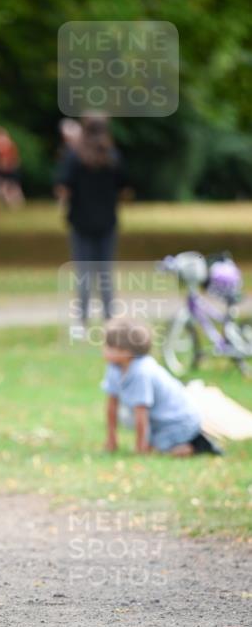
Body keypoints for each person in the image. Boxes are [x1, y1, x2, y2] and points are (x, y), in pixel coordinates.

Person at [102, 319, 222, 456]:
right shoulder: (115, 367)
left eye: (109, 347)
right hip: (160, 421)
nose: (104, 350)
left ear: (126, 352)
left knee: (160, 450)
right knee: (126, 416)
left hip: (179, 422)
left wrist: (141, 449)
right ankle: (165, 442)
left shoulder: (141, 372)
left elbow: (142, 412)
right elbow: (112, 404)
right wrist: (111, 439)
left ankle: (195, 445)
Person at [55, 114, 130, 325]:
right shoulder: (113, 156)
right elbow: (124, 188)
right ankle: (109, 318)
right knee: (105, 272)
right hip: (107, 221)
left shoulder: (74, 156)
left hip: (80, 221)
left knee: (84, 272)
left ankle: (81, 321)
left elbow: (63, 187)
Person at [0, 125, 24, 207]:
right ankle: (8, 205)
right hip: (7, 169)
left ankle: (13, 205)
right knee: (4, 187)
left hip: (8, 170)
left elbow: (5, 162)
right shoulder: (7, 143)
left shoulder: (2, 145)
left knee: (8, 188)